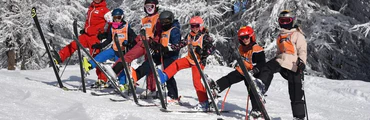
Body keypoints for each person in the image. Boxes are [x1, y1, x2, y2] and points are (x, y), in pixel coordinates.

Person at [156, 16, 216, 111]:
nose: (194, 28)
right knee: (177, 63)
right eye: (192, 26)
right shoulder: (190, 35)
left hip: (199, 62)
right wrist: (169, 48)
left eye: (196, 26)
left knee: (196, 81)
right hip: (190, 59)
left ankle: (204, 102)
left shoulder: (205, 37)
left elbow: (212, 48)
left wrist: (203, 51)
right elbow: (180, 44)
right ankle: (165, 76)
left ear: (200, 26)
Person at [257, 10, 307, 120]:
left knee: (295, 93)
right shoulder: (280, 36)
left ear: (291, 21)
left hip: (294, 64)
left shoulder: (297, 34)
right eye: (282, 21)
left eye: (287, 21)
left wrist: (302, 62)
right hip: (281, 60)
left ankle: (299, 117)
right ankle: (261, 86)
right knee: (267, 67)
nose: (284, 24)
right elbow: (279, 51)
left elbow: (302, 50)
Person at [209, 26, 266, 118]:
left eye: (247, 37)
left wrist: (255, 70)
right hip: (243, 70)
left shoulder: (257, 49)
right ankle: (217, 87)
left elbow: (262, 63)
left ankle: (257, 109)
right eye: (242, 38)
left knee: (252, 90)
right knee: (231, 77)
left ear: (251, 36)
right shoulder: (241, 48)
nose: (245, 40)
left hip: (253, 73)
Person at [53, 0, 111, 85]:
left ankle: (102, 79)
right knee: (74, 44)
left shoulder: (105, 11)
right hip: (86, 35)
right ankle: (59, 58)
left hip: (95, 37)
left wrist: (106, 34)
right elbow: (89, 22)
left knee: (96, 57)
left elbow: (112, 23)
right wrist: (85, 29)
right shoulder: (91, 8)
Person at [81, 8, 137, 88]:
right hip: (113, 49)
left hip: (122, 51)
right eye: (115, 18)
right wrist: (100, 45)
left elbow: (134, 37)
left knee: (120, 68)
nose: (117, 20)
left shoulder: (126, 27)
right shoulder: (112, 28)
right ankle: (89, 65)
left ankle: (123, 84)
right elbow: (108, 40)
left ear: (122, 17)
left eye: (118, 17)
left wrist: (129, 42)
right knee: (101, 56)